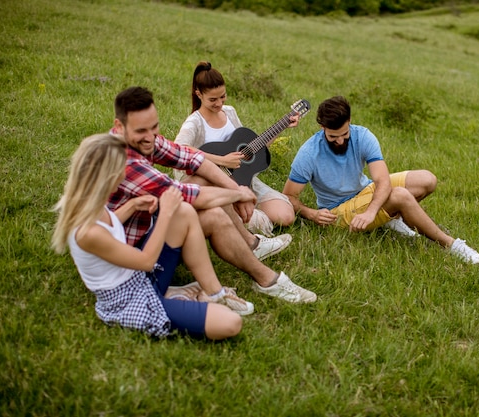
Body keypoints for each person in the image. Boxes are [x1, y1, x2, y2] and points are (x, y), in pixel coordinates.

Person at [109, 86, 317, 303]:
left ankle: (252, 248)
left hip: (152, 225)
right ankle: (268, 279)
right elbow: (185, 194)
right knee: (213, 213)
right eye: (142, 130)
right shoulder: (124, 162)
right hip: (136, 258)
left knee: (208, 179)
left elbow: (191, 158)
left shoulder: (140, 139)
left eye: (154, 127)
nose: (150, 136)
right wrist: (238, 195)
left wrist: (235, 188)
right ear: (119, 126)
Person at [52, 133, 249, 340]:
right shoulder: (87, 234)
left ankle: (213, 294)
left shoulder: (89, 203)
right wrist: (165, 213)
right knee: (230, 323)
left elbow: (108, 224)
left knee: (184, 212)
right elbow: (146, 261)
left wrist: (132, 206)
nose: (125, 175)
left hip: (138, 279)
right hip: (128, 300)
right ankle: (179, 298)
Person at [282, 96, 479, 264]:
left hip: (364, 192)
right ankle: (452, 245)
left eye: (344, 134)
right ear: (322, 127)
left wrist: (371, 212)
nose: (340, 141)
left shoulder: (363, 136)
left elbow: (382, 180)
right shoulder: (309, 152)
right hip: (339, 210)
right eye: (333, 137)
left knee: (427, 180)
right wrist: (311, 214)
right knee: (400, 196)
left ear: (350, 122)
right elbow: (289, 196)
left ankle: (387, 218)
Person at [174, 61, 296, 237]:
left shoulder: (229, 112)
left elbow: (250, 148)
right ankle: (243, 222)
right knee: (259, 222)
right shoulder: (195, 122)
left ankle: (251, 216)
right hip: (214, 183)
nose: (219, 103)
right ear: (198, 94)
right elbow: (179, 150)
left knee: (285, 216)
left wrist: (283, 126)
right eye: (213, 99)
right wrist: (222, 160)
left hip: (243, 179)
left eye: (222, 96)